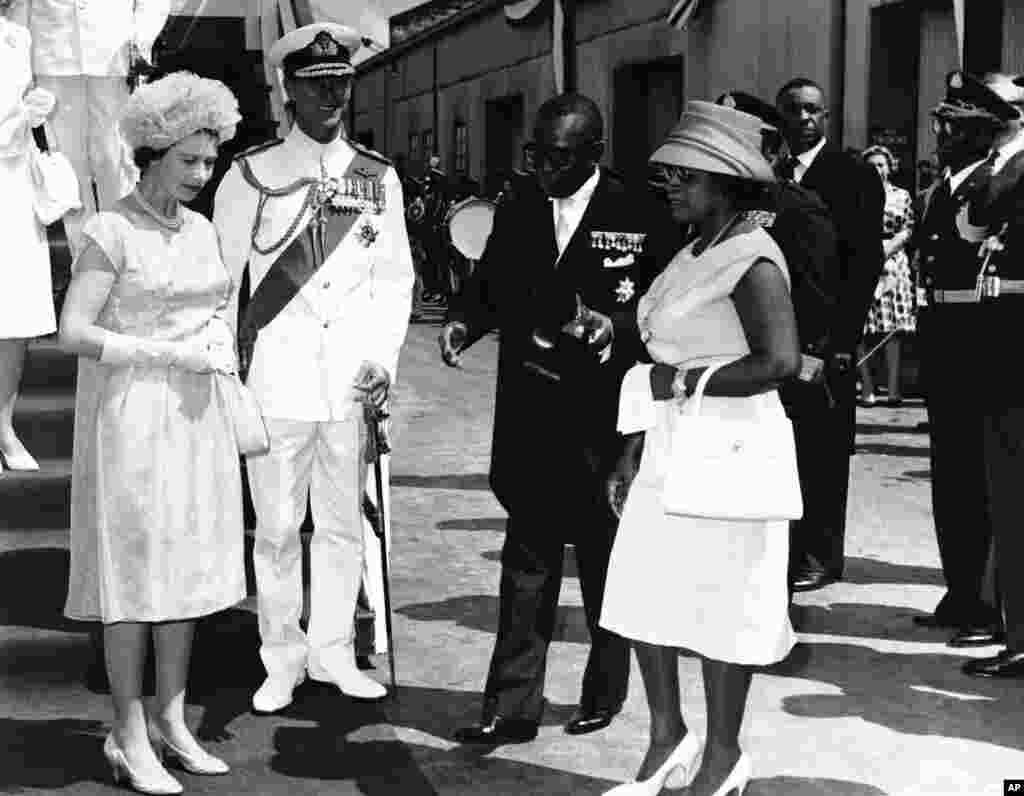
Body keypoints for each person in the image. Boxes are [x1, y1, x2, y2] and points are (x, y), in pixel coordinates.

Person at [440, 93, 679, 746]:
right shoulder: (519, 203)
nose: (543, 168)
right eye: (534, 154)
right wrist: (465, 321)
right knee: (526, 569)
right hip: (531, 420)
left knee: (605, 570)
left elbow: (666, 312)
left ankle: (603, 693)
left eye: (558, 157)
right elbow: (491, 282)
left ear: (595, 153)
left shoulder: (643, 211)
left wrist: (615, 328)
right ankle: (510, 707)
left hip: (605, 424)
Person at [600, 100, 800, 796]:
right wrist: (631, 452)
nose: (673, 188)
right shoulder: (691, 253)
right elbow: (657, 356)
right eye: (671, 177)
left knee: (725, 607)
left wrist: (680, 379)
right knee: (640, 592)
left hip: (736, 448)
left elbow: (779, 362)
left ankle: (722, 756)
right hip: (670, 441)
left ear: (727, 182)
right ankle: (666, 738)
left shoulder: (754, 258)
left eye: (687, 177)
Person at [214, 22, 414, 712]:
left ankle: (333, 652)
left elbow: (394, 283)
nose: (331, 95)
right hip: (275, 377)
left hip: (350, 385)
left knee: (338, 524)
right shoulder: (250, 175)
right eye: (315, 84)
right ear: (288, 89)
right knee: (274, 527)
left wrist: (380, 362)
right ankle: (282, 656)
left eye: (341, 83)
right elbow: (222, 282)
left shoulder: (377, 177)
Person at [60, 71, 243, 795]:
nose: (204, 173)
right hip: (133, 417)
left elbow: (215, 304)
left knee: (187, 571)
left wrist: (220, 344)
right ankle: (125, 730)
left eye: (210, 160)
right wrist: (164, 353)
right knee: (135, 577)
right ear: (153, 153)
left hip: (197, 416)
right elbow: (74, 331)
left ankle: (171, 720)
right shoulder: (110, 231)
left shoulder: (199, 229)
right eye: (191, 160)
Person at [774, 77, 884, 592]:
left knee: (824, 451)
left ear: (827, 117)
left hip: (827, 338)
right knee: (783, 447)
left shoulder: (850, 174)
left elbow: (865, 262)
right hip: (776, 334)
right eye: (794, 110)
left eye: (813, 110)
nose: (804, 119)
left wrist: (845, 340)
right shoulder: (769, 175)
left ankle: (821, 554)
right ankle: (788, 548)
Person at [912, 71, 1009, 647]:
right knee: (950, 476)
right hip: (943, 335)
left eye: (954, 126)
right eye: (942, 124)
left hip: (980, 338)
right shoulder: (942, 188)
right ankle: (960, 588)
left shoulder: (996, 185)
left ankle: (986, 602)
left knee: (977, 477)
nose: (942, 135)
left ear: (983, 133)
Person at [960, 72, 1024, 678]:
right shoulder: (1002, 164)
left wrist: (1005, 152)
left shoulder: (1015, 165)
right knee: (1006, 498)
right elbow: (973, 227)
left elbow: (982, 214)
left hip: (1016, 352)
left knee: (1013, 498)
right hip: (1004, 346)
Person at [26, 0, 170, 256]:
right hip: (53, 53)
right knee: (67, 170)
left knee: (116, 162)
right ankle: (84, 265)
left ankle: (126, 259)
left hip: (114, 54)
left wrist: (141, 37)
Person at [0, 0, 58, 472]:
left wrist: (35, 109)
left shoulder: (17, 36)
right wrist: (22, 120)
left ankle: (2, 424)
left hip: (14, 184)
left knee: (14, 313)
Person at [856, 145, 916, 407]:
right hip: (862, 261)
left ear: (890, 167)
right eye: (871, 165)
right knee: (860, 327)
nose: (877, 169)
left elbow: (909, 227)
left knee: (891, 329)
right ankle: (867, 386)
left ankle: (893, 388)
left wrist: (888, 249)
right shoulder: (854, 194)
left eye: (881, 164)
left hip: (893, 262)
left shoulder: (901, 195)